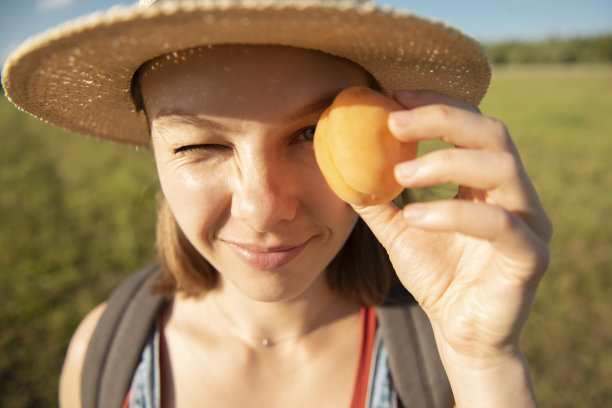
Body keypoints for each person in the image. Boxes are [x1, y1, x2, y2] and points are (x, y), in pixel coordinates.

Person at [2, 0, 552, 407]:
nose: (263, 209)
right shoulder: (105, 356)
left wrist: (482, 363)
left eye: (312, 134)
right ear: (152, 150)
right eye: (198, 145)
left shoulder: (440, 370)